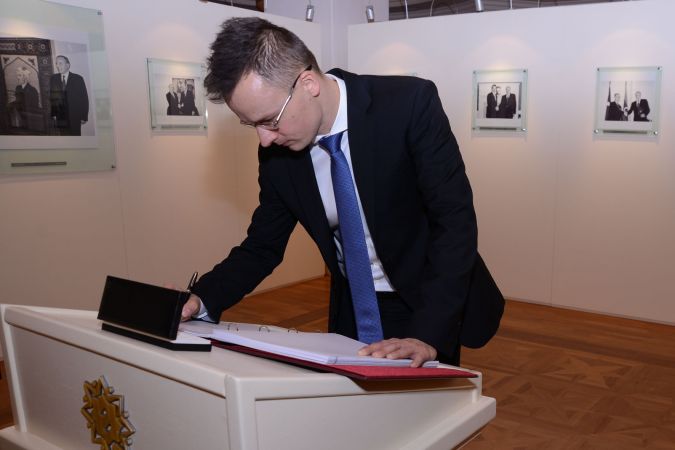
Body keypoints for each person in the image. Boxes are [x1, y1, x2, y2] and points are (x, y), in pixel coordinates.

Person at [181, 17, 503, 367]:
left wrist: (427, 333)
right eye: (251, 124)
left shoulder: (408, 105)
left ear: (307, 84)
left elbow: (454, 223)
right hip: (352, 306)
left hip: (424, 303)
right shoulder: (277, 154)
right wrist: (202, 298)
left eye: (269, 119)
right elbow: (263, 245)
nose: (265, 138)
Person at [49, 55, 89, 135]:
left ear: (68, 65)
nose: (57, 66)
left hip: (74, 115)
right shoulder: (53, 78)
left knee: (75, 137)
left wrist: (84, 116)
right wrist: (54, 114)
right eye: (56, 63)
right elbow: (53, 97)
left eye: (60, 63)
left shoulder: (78, 79)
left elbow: (84, 98)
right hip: (61, 117)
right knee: (64, 138)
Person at [10, 66, 40, 130]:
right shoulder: (18, 88)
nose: (17, 78)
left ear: (25, 77)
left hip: (30, 118)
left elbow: (35, 106)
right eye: (17, 75)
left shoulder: (32, 90)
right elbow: (17, 101)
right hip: (19, 115)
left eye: (19, 75)